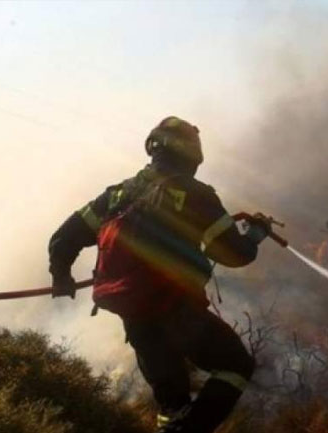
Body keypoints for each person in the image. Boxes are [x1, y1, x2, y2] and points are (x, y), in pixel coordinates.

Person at [48, 116, 270, 433]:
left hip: (134, 315)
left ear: (154, 148)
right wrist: (254, 236)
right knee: (236, 366)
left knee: (172, 405)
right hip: (176, 309)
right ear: (193, 156)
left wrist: (62, 277)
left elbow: (63, 239)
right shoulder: (195, 194)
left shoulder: (117, 195)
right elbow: (234, 255)